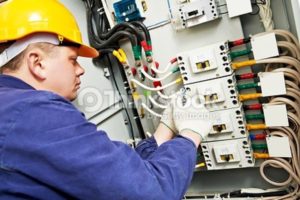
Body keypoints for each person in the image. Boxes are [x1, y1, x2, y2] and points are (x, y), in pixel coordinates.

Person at [0, 0, 212, 199]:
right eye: (73, 60)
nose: (81, 69)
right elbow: (150, 193)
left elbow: (112, 175)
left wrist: (163, 131)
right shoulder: (33, 112)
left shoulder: (11, 108)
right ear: (38, 63)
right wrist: (190, 136)